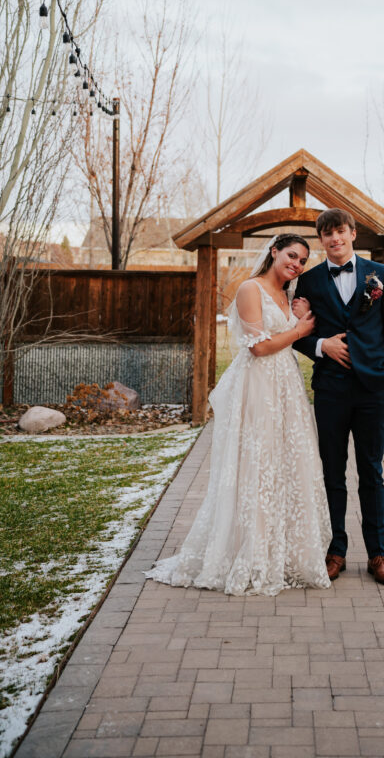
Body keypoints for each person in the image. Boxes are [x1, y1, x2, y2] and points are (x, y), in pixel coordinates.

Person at [145, 233, 332, 596]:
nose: (296, 264)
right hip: (259, 386)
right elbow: (259, 347)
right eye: (291, 255)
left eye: (302, 261)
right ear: (274, 252)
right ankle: (251, 552)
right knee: (257, 464)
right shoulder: (250, 288)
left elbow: (289, 331)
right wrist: (299, 330)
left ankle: (283, 552)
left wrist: (299, 317)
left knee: (286, 463)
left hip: (286, 386)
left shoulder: (288, 294)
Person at [293, 208, 384, 586]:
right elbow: (297, 332)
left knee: (371, 472)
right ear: (321, 240)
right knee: (332, 472)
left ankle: (377, 554)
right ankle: (335, 551)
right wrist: (321, 346)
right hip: (331, 391)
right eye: (327, 234)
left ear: (352, 233)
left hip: (373, 390)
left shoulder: (380, 276)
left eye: (340, 231)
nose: (335, 239)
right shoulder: (309, 280)